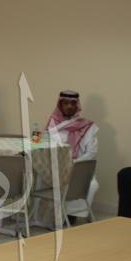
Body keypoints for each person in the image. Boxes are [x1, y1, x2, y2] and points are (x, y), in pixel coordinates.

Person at [46, 90, 99, 218]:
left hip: (78, 165)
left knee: (92, 185)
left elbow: (91, 152)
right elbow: (46, 148)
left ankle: (72, 214)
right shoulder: (52, 124)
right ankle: (54, 215)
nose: (69, 106)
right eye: (66, 103)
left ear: (77, 106)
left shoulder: (87, 126)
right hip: (56, 167)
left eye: (73, 103)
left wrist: (73, 163)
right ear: (60, 105)